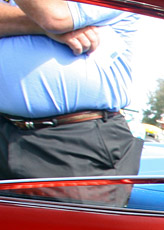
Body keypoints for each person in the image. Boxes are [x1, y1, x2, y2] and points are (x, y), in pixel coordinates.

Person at [0, 0, 143, 206]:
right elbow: (47, 22)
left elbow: (55, 16)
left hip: (75, 142)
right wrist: (35, 25)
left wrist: (40, 23)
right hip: (6, 133)